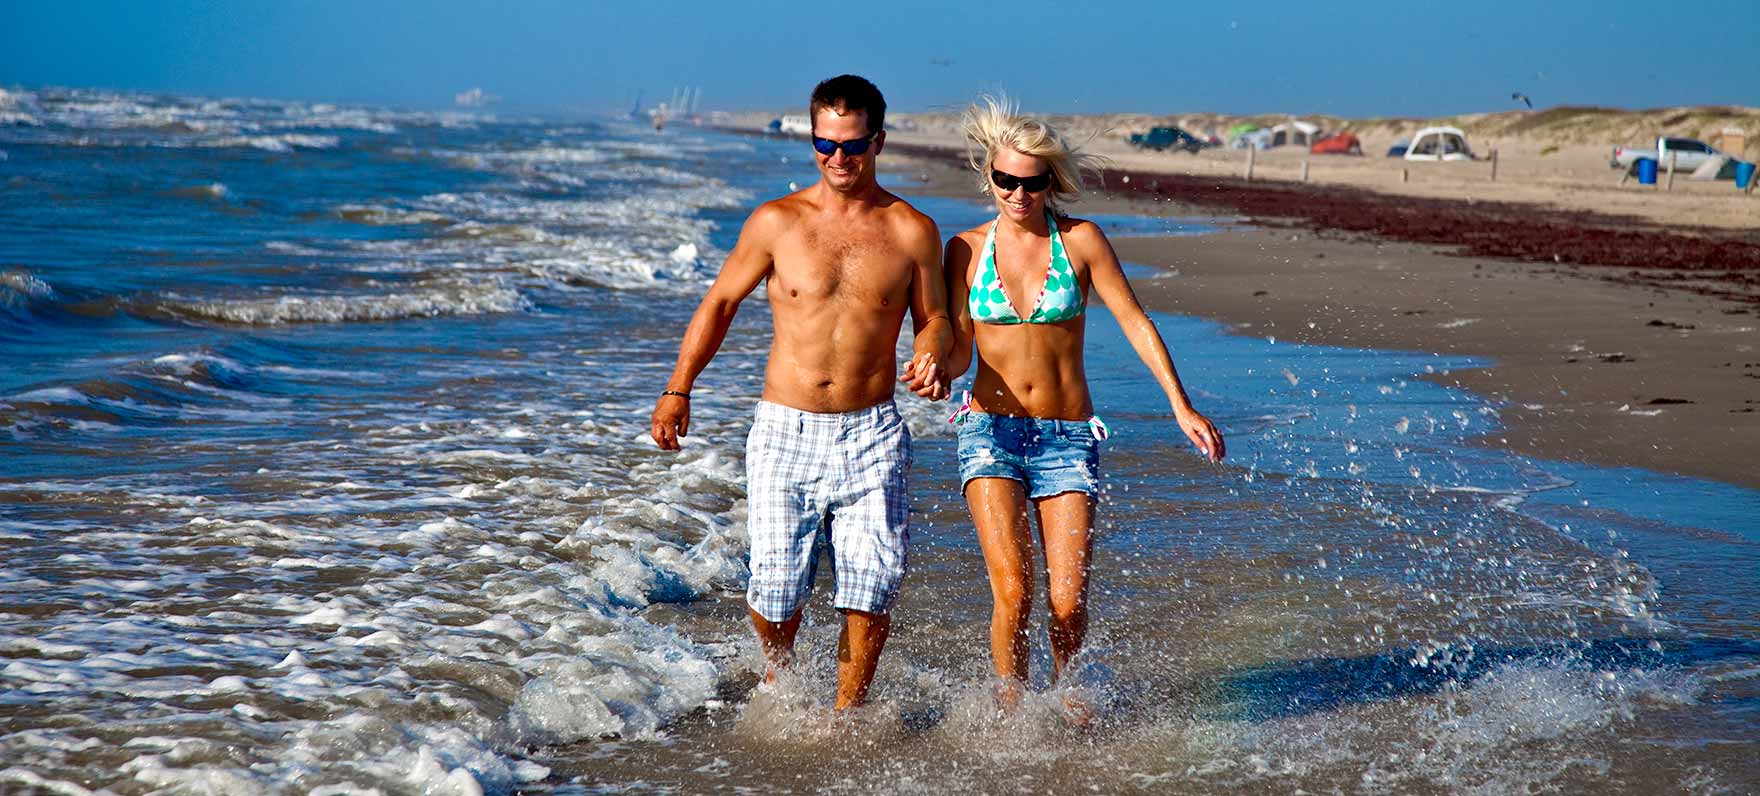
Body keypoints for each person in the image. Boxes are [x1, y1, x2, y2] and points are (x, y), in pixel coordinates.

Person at [649, 75, 951, 711]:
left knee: (871, 588)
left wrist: (930, 353)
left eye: (853, 145)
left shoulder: (912, 230)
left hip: (872, 430)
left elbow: (936, 319)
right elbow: (721, 303)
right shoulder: (776, 223)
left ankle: (848, 714)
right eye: (825, 143)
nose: (838, 158)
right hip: (786, 428)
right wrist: (679, 388)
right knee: (777, 589)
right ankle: (781, 674)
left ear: (879, 141)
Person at [943, 96, 1224, 710]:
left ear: (1050, 180)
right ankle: (1011, 711)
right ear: (988, 176)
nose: (1018, 193)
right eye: (1006, 180)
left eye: (1032, 181)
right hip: (988, 430)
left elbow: (1135, 321)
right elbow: (959, 348)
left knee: (1067, 604)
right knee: (1013, 593)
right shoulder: (963, 250)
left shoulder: (1082, 241)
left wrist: (1181, 404)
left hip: (1067, 436)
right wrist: (934, 366)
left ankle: (1068, 703)